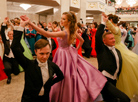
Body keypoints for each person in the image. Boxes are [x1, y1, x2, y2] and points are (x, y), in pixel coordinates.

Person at [20, 11, 130, 102]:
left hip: (63, 54)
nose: (61, 20)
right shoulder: (71, 31)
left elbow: (47, 34)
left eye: (63, 19)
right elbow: (81, 41)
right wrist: (74, 50)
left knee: (64, 75)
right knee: (71, 75)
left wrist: (30, 23)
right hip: (69, 53)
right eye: (61, 18)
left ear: (68, 21)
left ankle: (65, 96)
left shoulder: (65, 33)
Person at [10, 19, 64, 102]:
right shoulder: (28, 64)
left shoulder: (52, 65)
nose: (45, 56)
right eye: (41, 53)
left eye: (47, 53)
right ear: (35, 52)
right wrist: (21, 26)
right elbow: (14, 48)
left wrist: (49, 84)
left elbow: (61, 76)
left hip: (45, 99)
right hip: (29, 99)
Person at [103, 12, 138, 98]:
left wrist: (106, 21)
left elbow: (112, 29)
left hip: (117, 48)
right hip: (119, 46)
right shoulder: (117, 27)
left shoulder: (115, 28)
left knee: (121, 69)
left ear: (111, 20)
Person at [1, 18, 21, 84]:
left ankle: (14, 70)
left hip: (15, 59)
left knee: (16, 72)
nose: (11, 35)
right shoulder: (6, 41)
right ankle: (9, 77)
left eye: (12, 34)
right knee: (7, 68)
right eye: (10, 34)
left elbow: (22, 50)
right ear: (8, 35)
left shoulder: (17, 42)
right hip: (7, 58)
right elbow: (2, 33)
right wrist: (4, 23)